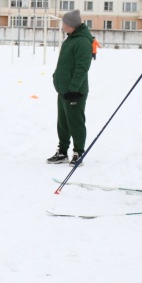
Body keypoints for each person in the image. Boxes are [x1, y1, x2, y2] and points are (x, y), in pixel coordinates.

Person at [47, 9, 93, 166]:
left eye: (64, 23)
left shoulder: (82, 42)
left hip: (75, 91)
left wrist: (74, 88)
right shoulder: (71, 39)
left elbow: (82, 67)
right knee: (63, 122)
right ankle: (62, 151)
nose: (63, 25)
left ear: (71, 25)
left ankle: (78, 152)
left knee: (75, 122)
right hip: (63, 90)